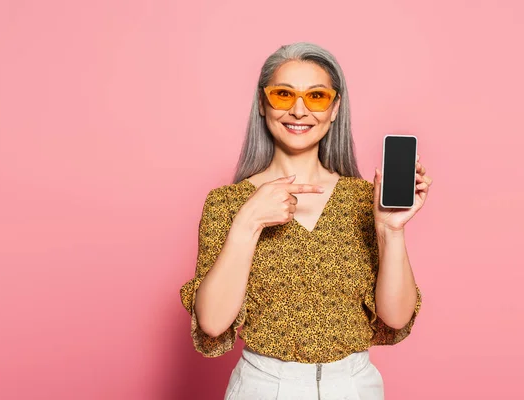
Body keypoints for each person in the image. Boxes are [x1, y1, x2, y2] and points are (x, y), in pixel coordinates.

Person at [179, 42, 432, 400]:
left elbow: (396, 317)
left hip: (354, 386)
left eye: (316, 96)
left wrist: (391, 230)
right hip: (264, 386)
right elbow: (213, 322)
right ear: (263, 104)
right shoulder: (227, 203)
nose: (299, 111)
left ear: (334, 108)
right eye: (283, 95)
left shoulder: (364, 199)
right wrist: (248, 221)